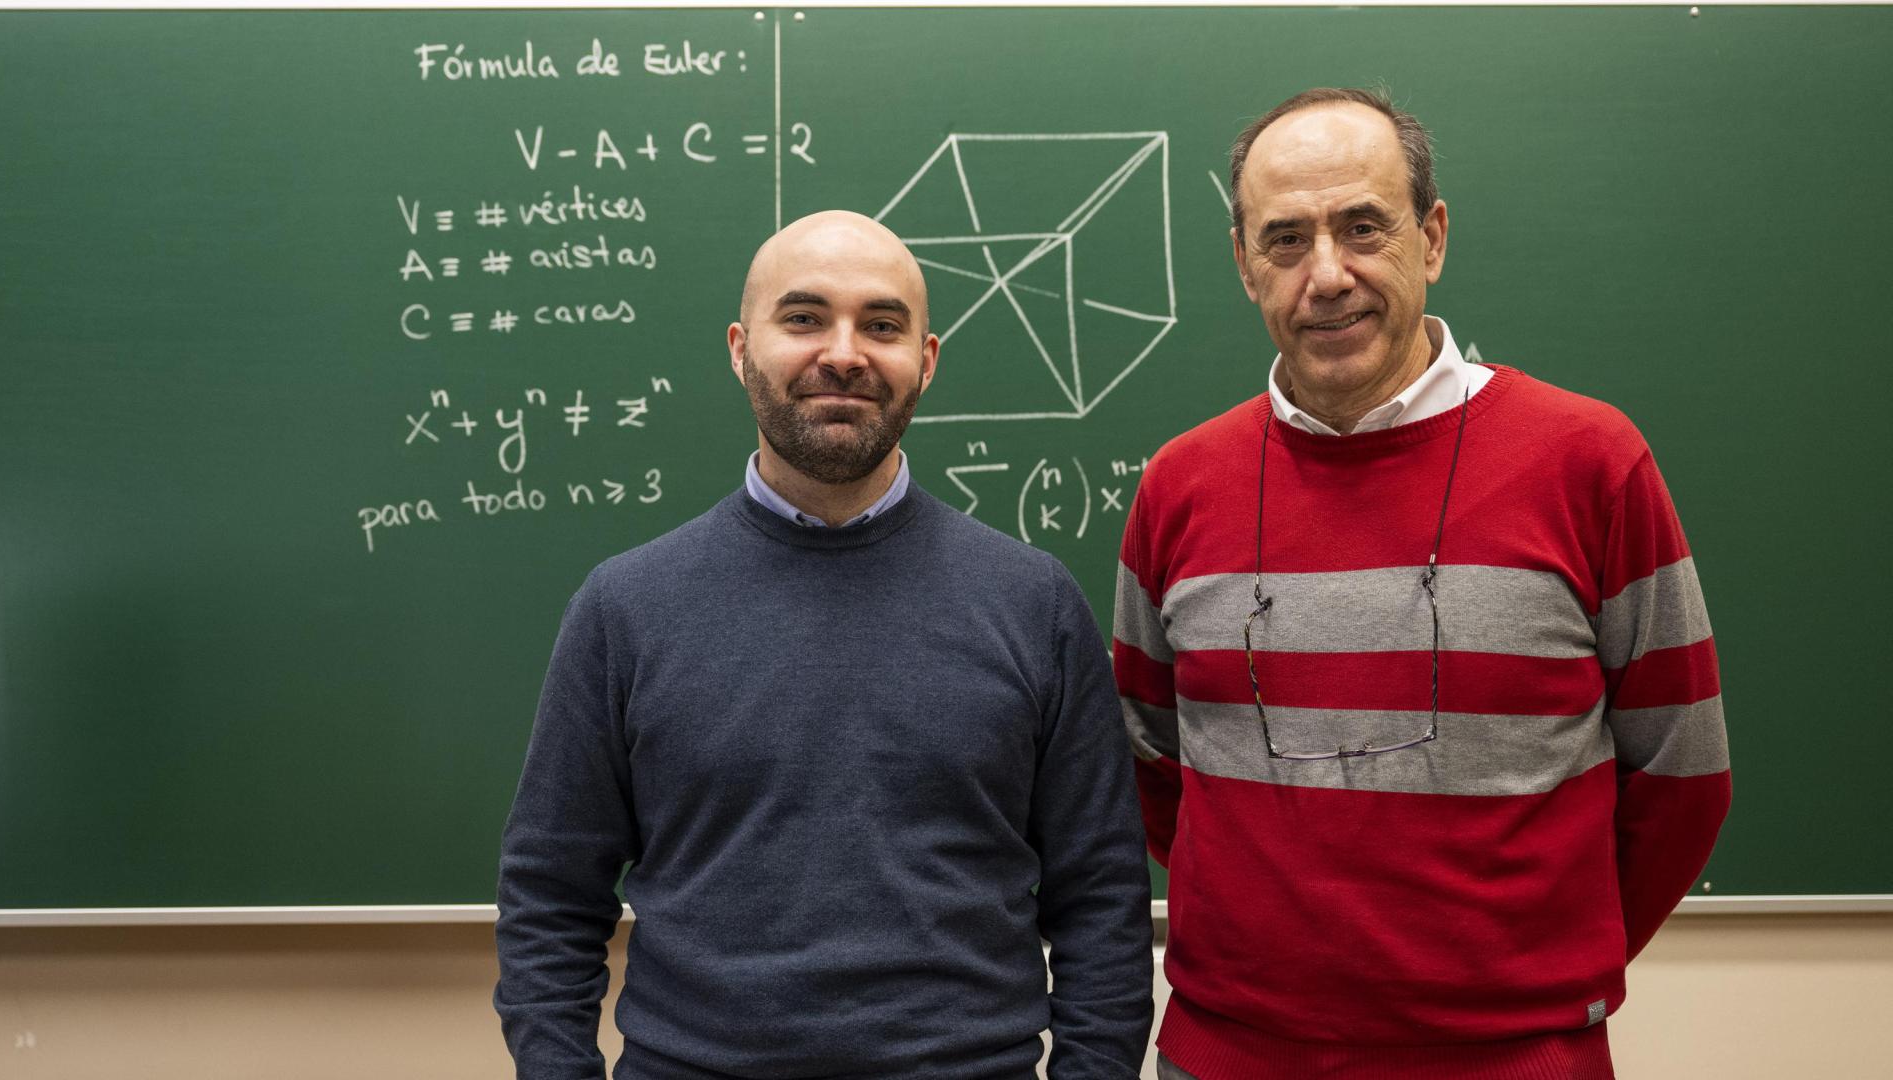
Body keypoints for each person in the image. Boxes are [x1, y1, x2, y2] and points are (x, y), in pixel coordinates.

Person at [1113, 89, 1730, 1079]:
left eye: (1364, 228)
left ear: (1432, 238)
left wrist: (1528, 971)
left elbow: (1684, 771)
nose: (1327, 274)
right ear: (1242, 263)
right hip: (1230, 1052)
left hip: (1516, 1059)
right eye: (1284, 239)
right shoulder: (1180, 485)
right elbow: (1150, 762)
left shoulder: (1591, 462)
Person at [496, 210, 1154, 1080]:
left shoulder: (1035, 605)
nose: (843, 353)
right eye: (803, 318)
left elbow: (1102, 898)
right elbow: (549, 896)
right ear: (740, 348)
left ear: (925, 359)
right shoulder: (624, 607)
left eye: (882, 325)